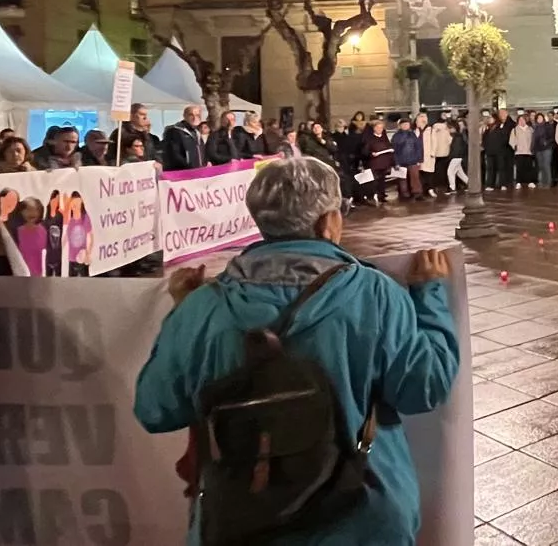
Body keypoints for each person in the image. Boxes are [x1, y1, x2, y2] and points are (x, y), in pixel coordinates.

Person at [135, 157, 459, 546]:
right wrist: (430, 297)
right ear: (328, 223)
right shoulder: (375, 294)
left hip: (239, 521)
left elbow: (155, 409)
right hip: (362, 519)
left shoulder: (202, 308)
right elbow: (423, 388)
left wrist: (184, 315)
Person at [162, 105, 206, 172]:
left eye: (197, 115)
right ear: (184, 116)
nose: (194, 118)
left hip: (198, 171)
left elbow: (201, 151)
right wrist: (189, 167)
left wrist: (205, 163)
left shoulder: (197, 133)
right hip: (182, 173)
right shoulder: (174, 131)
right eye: (191, 115)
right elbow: (174, 154)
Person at [512, 112, 536, 188]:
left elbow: (533, 139)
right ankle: (518, 182)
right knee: (519, 168)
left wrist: (532, 148)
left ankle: (530, 181)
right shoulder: (515, 130)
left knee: (529, 167)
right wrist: (515, 147)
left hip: (528, 151)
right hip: (519, 152)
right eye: (520, 120)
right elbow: (512, 140)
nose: (522, 121)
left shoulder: (530, 129)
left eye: (523, 120)